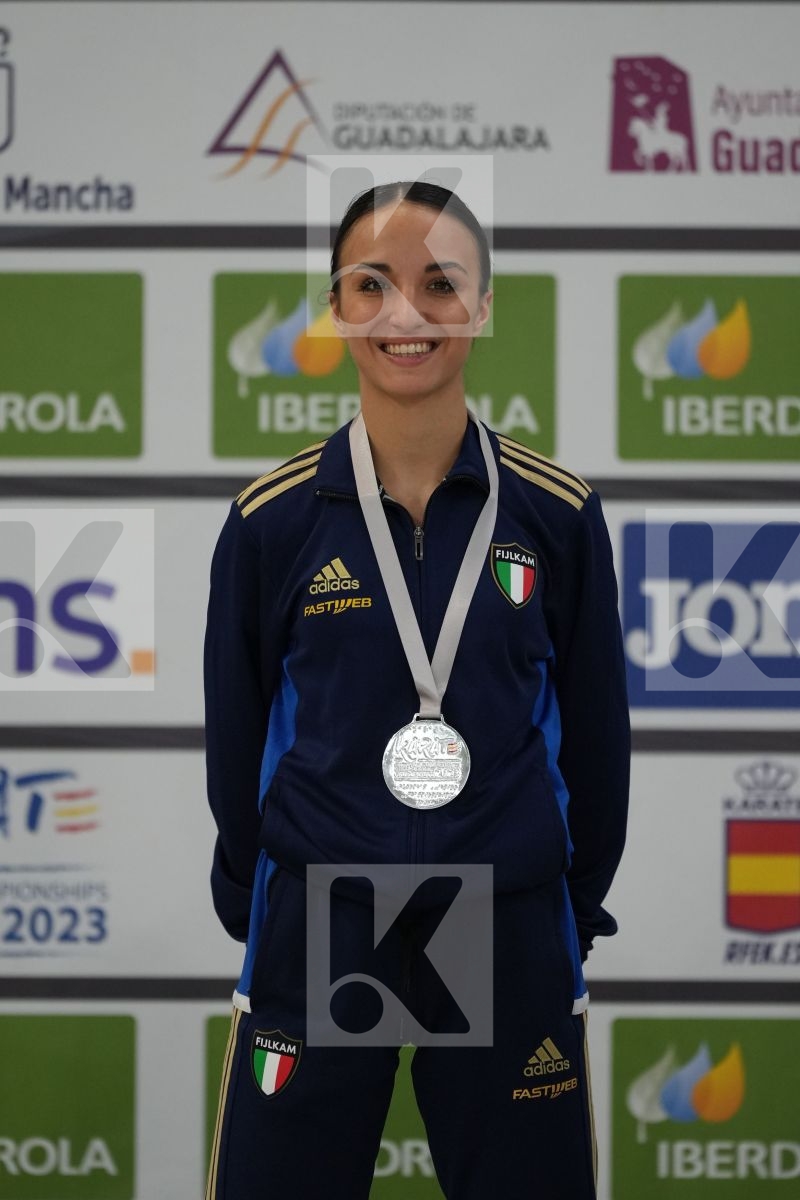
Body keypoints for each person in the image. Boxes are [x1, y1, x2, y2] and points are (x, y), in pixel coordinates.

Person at [203, 180, 630, 1200]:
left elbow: (597, 744)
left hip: (502, 914)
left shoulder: (558, 516)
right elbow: (236, 741)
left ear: (482, 308)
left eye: (439, 285)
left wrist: (559, 903)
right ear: (338, 308)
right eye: (371, 284)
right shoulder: (270, 523)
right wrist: (260, 894)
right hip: (327, 914)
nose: (405, 314)